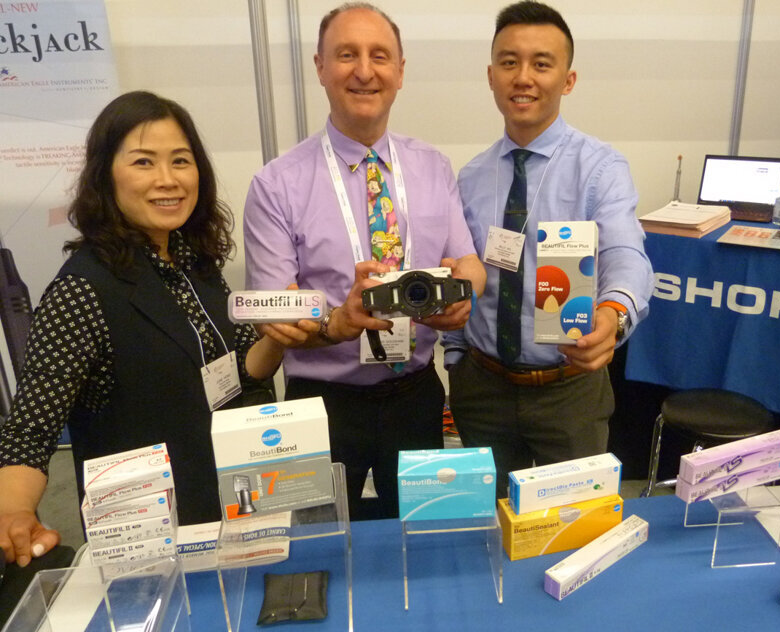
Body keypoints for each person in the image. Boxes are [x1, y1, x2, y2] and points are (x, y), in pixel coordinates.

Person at [0, 91, 288, 568]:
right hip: (148, 541)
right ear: (105, 176)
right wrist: (13, 511)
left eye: (181, 161)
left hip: (227, 507)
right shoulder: (83, 289)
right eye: (143, 162)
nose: (167, 179)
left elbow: (238, 370)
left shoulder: (194, 262)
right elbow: (31, 429)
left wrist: (277, 337)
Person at [243, 3, 485, 520]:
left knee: (422, 534)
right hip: (321, 404)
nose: (364, 70)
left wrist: (463, 295)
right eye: (346, 55)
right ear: (320, 67)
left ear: (400, 70)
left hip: (416, 395)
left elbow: (468, 261)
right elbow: (276, 315)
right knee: (318, 542)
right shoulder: (276, 185)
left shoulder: (432, 167)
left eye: (379, 55)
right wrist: (336, 323)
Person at [442, 1, 654, 497]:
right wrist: (455, 359)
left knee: (575, 524)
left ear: (568, 79)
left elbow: (626, 253)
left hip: (569, 389)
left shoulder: (600, 168)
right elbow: (460, 267)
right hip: (482, 389)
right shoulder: (470, 177)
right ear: (491, 75)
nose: (523, 78)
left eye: (541, 63)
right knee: (491, 522)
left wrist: (614, 314)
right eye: (509, 62)